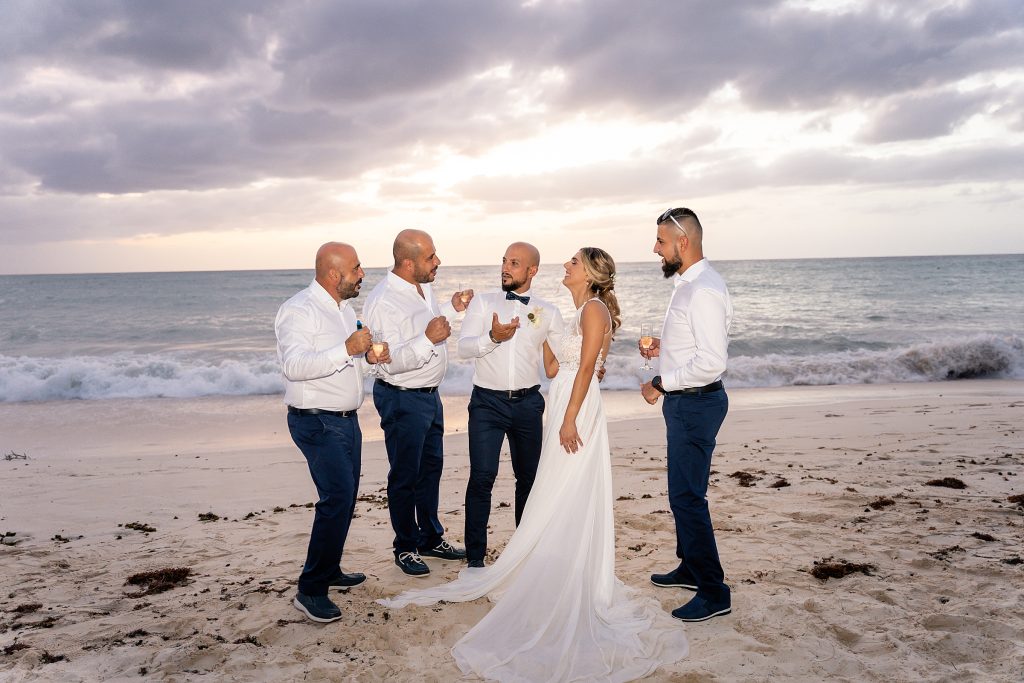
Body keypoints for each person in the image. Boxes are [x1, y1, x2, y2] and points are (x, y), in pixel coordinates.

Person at [379, 248, 688, 682]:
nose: (568, 266)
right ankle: (483, 560)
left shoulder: (575, 309)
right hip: (502, 401)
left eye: (574, 263)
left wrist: (571, 406)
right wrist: (505, 338)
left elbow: (582, 369)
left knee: (544, 485)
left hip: (551, 407)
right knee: (499, 480)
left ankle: (542, 564)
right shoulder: (525, 307)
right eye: (503, 260)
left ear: (532, 271)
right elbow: (551, 361)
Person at [275, 242, 390, 623]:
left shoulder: (345, 308)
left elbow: (348, 362)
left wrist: (369, 359)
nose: (362, 274)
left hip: (345, 419)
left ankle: (330, 569)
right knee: (336, 497)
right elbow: (294, 366)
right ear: (334, 274)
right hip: (316, 419)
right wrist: (347, 348)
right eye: (357, 268)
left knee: (346, 495)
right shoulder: (298, 310)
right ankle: (310, 589)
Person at [640, 207, 734, 623]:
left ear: (683, 242)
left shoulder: (704, 289)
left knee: (687, 497)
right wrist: (664, 346)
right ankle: (691, 568)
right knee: (683, 494)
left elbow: (712, 361)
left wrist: (662, 381)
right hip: (686, 401)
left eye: (660, 241)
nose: (655, 248)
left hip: (696, 402)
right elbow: (694, 344)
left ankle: (714, 591)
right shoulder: (687, 286)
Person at [363, 229, 471, 577]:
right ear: (408, 263)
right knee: (405, 475)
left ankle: (429, 537)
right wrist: (427, 339)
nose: (438, 261)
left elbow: (430, 328)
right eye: (431, 257)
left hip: (429, 395)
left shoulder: (424, 288)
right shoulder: (383, 302)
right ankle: (406, 546)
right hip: (401, 398)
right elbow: (386, 361)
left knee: (430, 470)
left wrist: (452, 311)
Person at [457, 242, 564, 568]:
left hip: (528, 403)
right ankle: (475, 560)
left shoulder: (548, 312)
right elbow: (463, 348)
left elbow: (562, 359)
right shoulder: (483, 303)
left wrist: (594, 357)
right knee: (482, 478)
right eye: (504, 261)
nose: (506, 267)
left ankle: (524, 553)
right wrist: (492, 337)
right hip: (487, 404)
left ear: (532, 270)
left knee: (529, 479)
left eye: (515, 263)